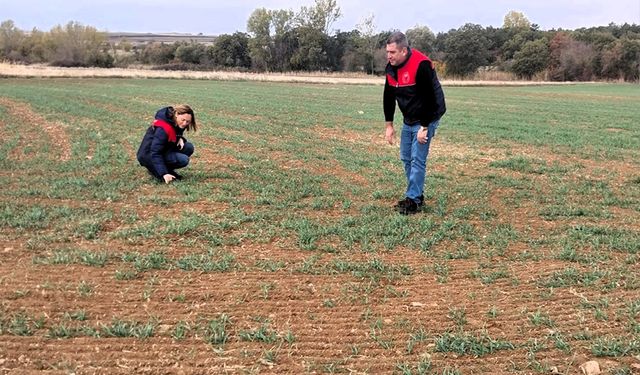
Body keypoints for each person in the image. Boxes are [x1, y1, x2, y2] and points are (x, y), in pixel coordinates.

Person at [383, 31, 446, 215]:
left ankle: (414, 201)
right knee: (405, 156)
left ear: (403, 51)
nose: (389, 56)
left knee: (417, 159)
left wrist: (425, 127)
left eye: (392, 52)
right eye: (387, 51)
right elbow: (388, 96)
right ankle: (416, 194)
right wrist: (389, 125)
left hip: (428, 114)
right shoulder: (391, 68)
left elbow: (429, 99)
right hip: (409, 117)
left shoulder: (421, 64)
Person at [137, 104, 197, 184]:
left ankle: (163, 170)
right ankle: (159, 171)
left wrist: (179, 138)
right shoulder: (163, 128)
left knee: (188, 147)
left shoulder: (174, 121)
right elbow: (155, 152)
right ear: (176, 114)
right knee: (183, 160)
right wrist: (164, 173)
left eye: (188, 121)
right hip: (148, 155)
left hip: (163, 150)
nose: (184, 123)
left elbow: (174, 133)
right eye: (183, 120)